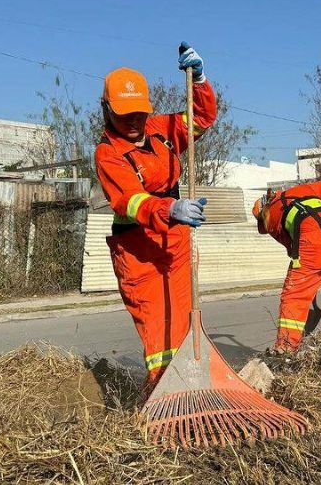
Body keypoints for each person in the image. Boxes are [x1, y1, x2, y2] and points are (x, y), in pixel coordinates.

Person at [94, 42, 217, 391]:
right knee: (158, 337)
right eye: (123, 115)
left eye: (139, 113)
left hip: (174, 244)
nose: (133, 122)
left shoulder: (161, 130)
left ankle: (187, 390)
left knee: (181, 326)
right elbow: (130, 201)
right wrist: (169, 208)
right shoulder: (108, 154)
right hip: (139, 251)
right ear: (106, 110)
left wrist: (199, 82)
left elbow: (202, 118)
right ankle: (161, 397)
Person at [252, 180, 321, 353]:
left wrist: (308, 275)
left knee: (294, 296)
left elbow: (293, 250)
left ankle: (286, 350)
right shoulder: (303, 189)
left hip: (314, 242)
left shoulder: (271, 220)